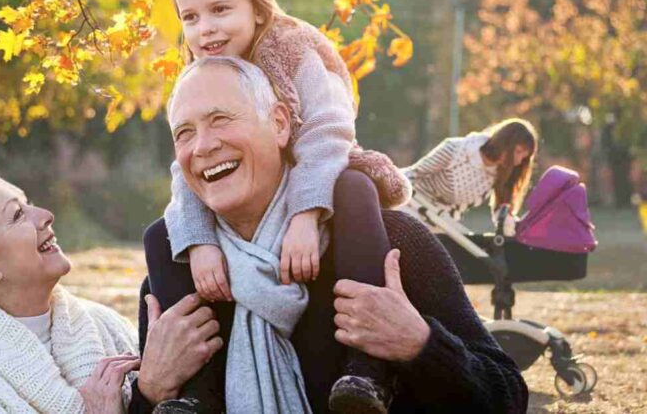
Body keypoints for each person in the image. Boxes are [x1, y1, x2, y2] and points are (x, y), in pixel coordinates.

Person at [133, 56, 529, 414]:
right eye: (184, 133)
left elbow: (508, 396)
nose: (203, 145)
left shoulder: (391, 245)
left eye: (221, 119)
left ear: (280, 124)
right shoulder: (176, 278)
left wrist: (420, 346)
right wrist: (149, 391)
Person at [163, 0, 410, 412]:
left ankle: (367, 369)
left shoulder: (294, 48)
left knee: (355, 188)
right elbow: (187, 164)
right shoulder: (197, 73)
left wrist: (306, 214)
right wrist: (198, 242)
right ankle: (197, 391)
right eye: (190, 19)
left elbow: (327, 130)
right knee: (161, 237)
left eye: (219, 10)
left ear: (256, 8)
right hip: (247, 202)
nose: (205, 30)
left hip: (316, 178)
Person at [0, 163, 224, 413]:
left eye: (28, 204)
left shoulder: (104, 324)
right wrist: (151, 390)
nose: (45, 215)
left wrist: (147, 394)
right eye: (17, 215)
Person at [404, 118, 538, 226]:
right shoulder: (454, 150)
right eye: (518, 152)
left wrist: (509, 225)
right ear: (504, 143)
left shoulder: (500, 173)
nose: (519, 161)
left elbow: (501, 211)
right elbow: (413, 173)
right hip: (413, 205)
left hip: (443, 221)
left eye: (524, 157)